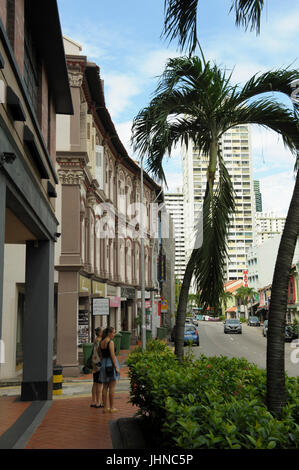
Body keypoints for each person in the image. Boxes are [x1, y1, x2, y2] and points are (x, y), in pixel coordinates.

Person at [99, 326, 120, 413]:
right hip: (110, 364)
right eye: (113, 333)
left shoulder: (101, 342)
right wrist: (116, 367)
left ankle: (105, 408)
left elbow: (100, 355)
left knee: (105, 387)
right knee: (112, 387)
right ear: (109, 333)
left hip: (104, 364)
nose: (114, 334)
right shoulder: (110, 342)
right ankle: (111, 408)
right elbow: (112, 355)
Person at [90, 327, 104, 408]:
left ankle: (93, 401)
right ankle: (99, 402)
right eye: (102, 331)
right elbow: (100, 353)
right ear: (99, 333)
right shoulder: (100, 341)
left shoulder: (95, 340)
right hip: (99, 363)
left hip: (94, 363)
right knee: (99, 384)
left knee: (95, 383)